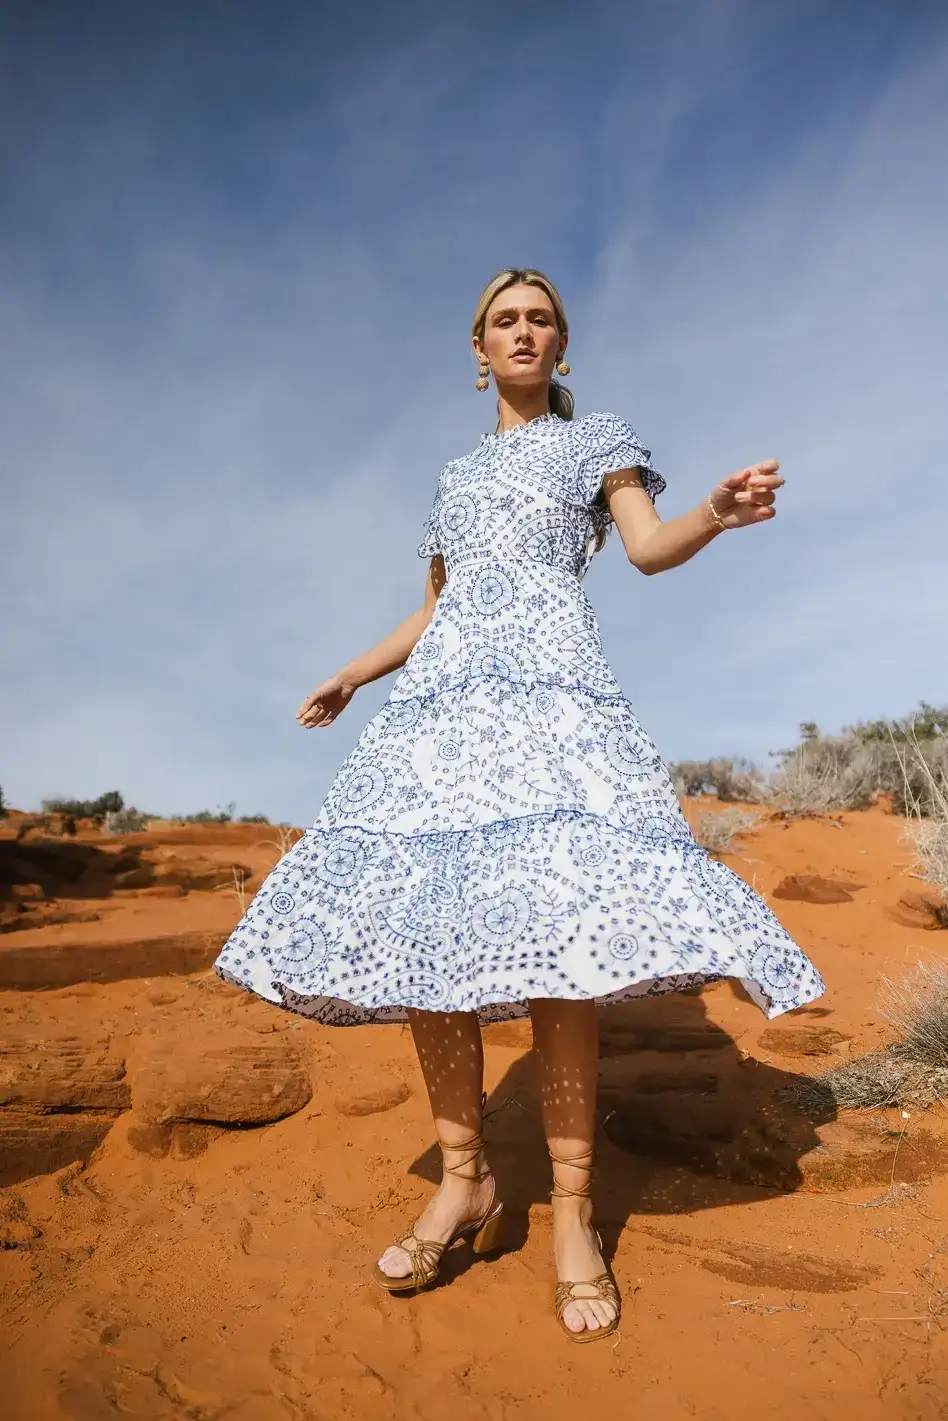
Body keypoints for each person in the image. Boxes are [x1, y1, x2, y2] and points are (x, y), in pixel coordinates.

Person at [213, 267, 824, 1343]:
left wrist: (715, 515)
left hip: (553, 704)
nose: (524, 331)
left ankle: (575, 1215)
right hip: (444, 716)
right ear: (479, 347)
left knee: (560, 944)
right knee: (428, 939)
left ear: (561, 345)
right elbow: (434, 611)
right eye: (506, 319)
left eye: (541, 318)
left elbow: (645, 548)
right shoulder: (453, 476)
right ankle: (466, 1182)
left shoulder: (599, 442)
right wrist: (354, 673)